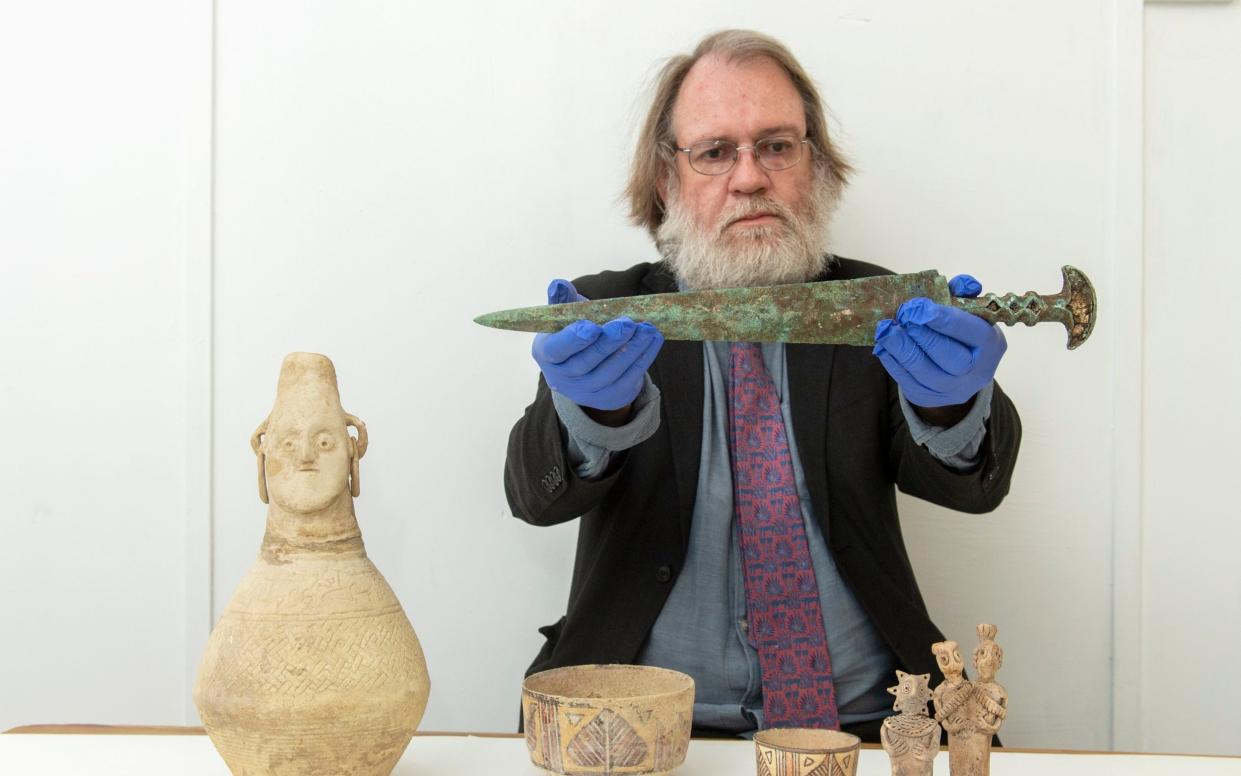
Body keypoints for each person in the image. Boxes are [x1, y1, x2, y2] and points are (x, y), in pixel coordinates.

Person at [503, 29, 1020, 743]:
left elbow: (972, 488)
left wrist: (949, 399)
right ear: (666, 180)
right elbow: (534, 497)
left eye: (776, 145)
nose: (748, 177)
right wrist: (593, 411)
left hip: (874, 727)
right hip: (643, 729)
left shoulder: (878, 308)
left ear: (815, 165)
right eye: (714, 152)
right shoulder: (607, 317)